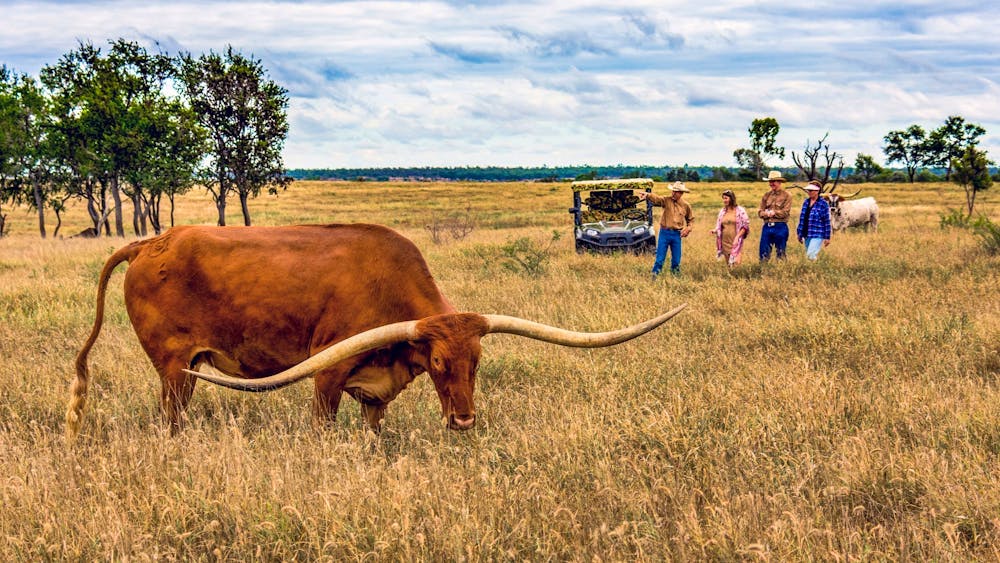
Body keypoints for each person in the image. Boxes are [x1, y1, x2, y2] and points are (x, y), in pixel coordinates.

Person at [637, 181, 694, 279]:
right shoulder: (666, 201)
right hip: (664, 233)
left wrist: (688, 228)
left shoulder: (686, 206)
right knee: (659, 259)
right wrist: (647, 195)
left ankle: (675, 278)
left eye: (675, 192)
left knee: (676, 260)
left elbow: (691, 220)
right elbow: (657, 199)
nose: (673, 193)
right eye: (673, 191)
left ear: (681, 193)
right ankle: (654, 277)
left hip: (677, 235)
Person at [757, 170, 793, 262]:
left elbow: (785, 212)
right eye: (770, 181)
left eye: (773, 181)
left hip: (780, 226)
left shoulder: (787, 195)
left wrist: (773, 213)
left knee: (781, 252)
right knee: (763, 252)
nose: (771, 183)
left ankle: (781, 272)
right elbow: (760, 212)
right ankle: (764, 272)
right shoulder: (766, 195)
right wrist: (765, 214)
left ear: (779, 182)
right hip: (767, 226)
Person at [711, 189, 750, 267]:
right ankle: (731, 278)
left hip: (736, 240)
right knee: (729, 265)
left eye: (726, 198)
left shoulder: (740, 211)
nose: (724, 200)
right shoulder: (722, 211)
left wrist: (737, 237)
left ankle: (738, 278)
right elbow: (720, 226)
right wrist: (715, 230)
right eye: (723, 198)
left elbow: (745, 226)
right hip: (724, 241)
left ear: (731, 199)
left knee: (736, 263)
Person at [796, 179, 832, 260]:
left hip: (817, 233)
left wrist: (827, 237)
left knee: (810, 255)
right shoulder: (806, 202)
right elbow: (802, 219)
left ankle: (814, 269)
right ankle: (812, 270)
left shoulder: (823, 204)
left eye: (811, 190)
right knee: (809, 254)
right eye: (808, 190)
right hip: (806, 232)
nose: (809, 192)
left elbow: (826, 221)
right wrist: (799, 233)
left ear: (817, 191)